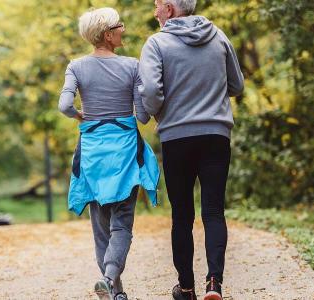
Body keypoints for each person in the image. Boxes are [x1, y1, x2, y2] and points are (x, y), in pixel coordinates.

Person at [138, 0, 244, 299]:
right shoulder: (219, 36)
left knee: (182, 215)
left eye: (158, 5)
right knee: (213, 211)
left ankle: (186, 287)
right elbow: (236, 84)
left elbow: (151, 93)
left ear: (170, 9)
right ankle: (215, 282)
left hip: (177, 137)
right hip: (216, 134)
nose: (155, 11)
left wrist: (160, 113)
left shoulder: (157, 43)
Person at [58, 7, 160, 300]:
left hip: (92, 152)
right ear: (107, 34)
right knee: (122, 223)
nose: (123, 29)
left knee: (101, 225)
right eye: (119, 25)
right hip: (124, 152)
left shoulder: (76, 67)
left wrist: (81, 116)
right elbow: (142, 116)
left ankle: (115, 290)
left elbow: (64, 106)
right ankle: (109, 277)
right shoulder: (132, 66)